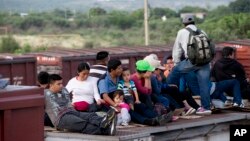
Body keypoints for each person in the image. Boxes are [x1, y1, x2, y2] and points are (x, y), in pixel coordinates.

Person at [44, 74, 117, 135]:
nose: (61, 85)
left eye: (61, 83)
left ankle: (104, 121)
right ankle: (106, 131)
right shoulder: (45, 94)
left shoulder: (64, 90)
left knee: (90, 115)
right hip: (60, 119)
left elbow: (68, 104)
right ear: (51, 85)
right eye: (58, 84)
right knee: (82, 123)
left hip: (71, 112)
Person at [169, 14, 212, 115]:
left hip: (192, 61)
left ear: (184, 23)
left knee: (175, 72)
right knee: (204, 85)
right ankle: (206, 108)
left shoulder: (182, 32)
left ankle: (169, 96)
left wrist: (176, 63)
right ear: (194, 22)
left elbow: (177, 50)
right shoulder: (202, 31)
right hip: (205, 62)